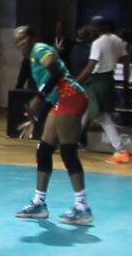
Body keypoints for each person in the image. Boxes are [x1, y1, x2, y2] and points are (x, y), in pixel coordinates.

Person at [13, 26, 94, 226]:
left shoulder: (39, 50)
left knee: (68, 151)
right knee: (44, 150)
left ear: (32, 37)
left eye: (23, 38)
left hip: (70, 96)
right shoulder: (32, 58)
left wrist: (38, 97)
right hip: (60, 100)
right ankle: (39, 204)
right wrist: (35, 119)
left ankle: (82, 207)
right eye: (17, 41)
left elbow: (56, 72)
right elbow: (51, 94)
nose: (20, 43)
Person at [76, 17, 131, 164]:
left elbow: (90, 67)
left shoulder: (98, 43)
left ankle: (120, 150)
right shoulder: (118, 40)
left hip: (96, 81)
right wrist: (125, 82)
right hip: (108, 80)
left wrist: (75, 82)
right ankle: (69, 143)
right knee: (84, 112)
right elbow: (126, 62)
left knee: (102, 117)